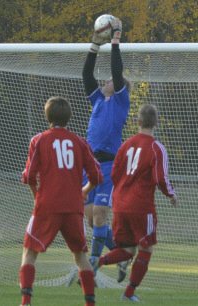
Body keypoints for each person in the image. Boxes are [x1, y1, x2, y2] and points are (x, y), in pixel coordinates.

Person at [20, 97, 103, 306]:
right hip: (73, 207)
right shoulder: (79, 142)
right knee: (80, 255)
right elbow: (97, 176)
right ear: (69, 117)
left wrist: (36, 197)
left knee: (30, 252)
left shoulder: (38, 140)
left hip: (47, 205)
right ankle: (90, 303)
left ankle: (26, 301)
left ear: (46, 116)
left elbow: (29, 177)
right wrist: (84, 191)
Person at [91, 104, 178, 302]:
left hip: (120, 205)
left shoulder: (124, 146)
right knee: (145, 249)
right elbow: (160, 178)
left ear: (137, 122)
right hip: (141, 207)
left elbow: (113, 174)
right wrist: (171, 194)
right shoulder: (157, 148)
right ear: (156, 122)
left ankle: (98, 261)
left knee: (128, 250)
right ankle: (128, 294)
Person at [81, 16, 133, 283]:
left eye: (111, 80)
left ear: (118, 85)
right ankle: (122, 255)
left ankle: (92, 268)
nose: (106, 81)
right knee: (92, 221)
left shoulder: (121, 100)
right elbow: (86, 75)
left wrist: (115, 40)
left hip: (110, 166)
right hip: (89, 166)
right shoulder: (99, 100)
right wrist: (94, 45)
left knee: (100, 215)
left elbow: (116, 70)